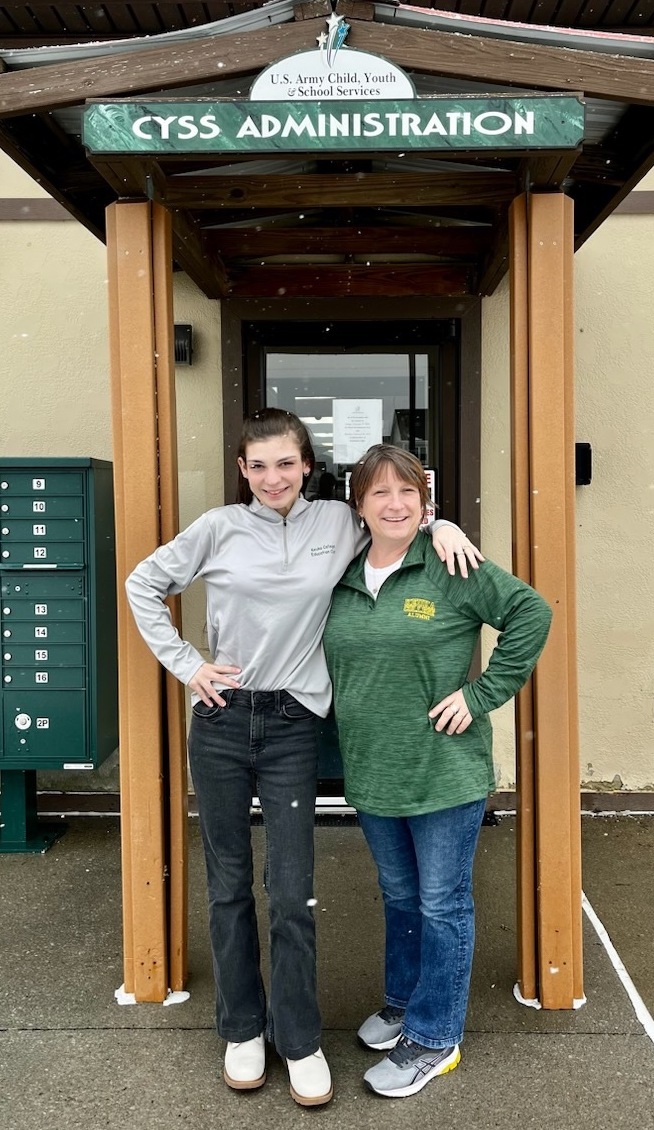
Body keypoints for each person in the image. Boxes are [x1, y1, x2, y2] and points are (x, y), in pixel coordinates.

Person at [124, 409, 481, 1108]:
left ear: (307, 465)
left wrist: (442, 523)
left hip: (292, 723)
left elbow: (395, 518)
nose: (272, 478)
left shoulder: (335, 525)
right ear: (242, 470)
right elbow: (142, 583)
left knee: (291, 892)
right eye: (257, 466)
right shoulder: (217, 529)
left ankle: (300, 1037)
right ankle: (242, 1030)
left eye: (284, 463)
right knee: (227, 885)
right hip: (223, 720)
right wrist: (187, 664)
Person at [323, 444, 552, 1100]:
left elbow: (531, 615)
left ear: (425, 502)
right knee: (399, 898)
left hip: (443, 771)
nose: (394, 504)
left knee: (442, 903)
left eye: (408, 493)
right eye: (379, 493)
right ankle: (402, 1004)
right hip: (372, 772)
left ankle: (434, 1036)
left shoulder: (453, 563)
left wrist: (479, 696)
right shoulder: (341, 570)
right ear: (358, 505)